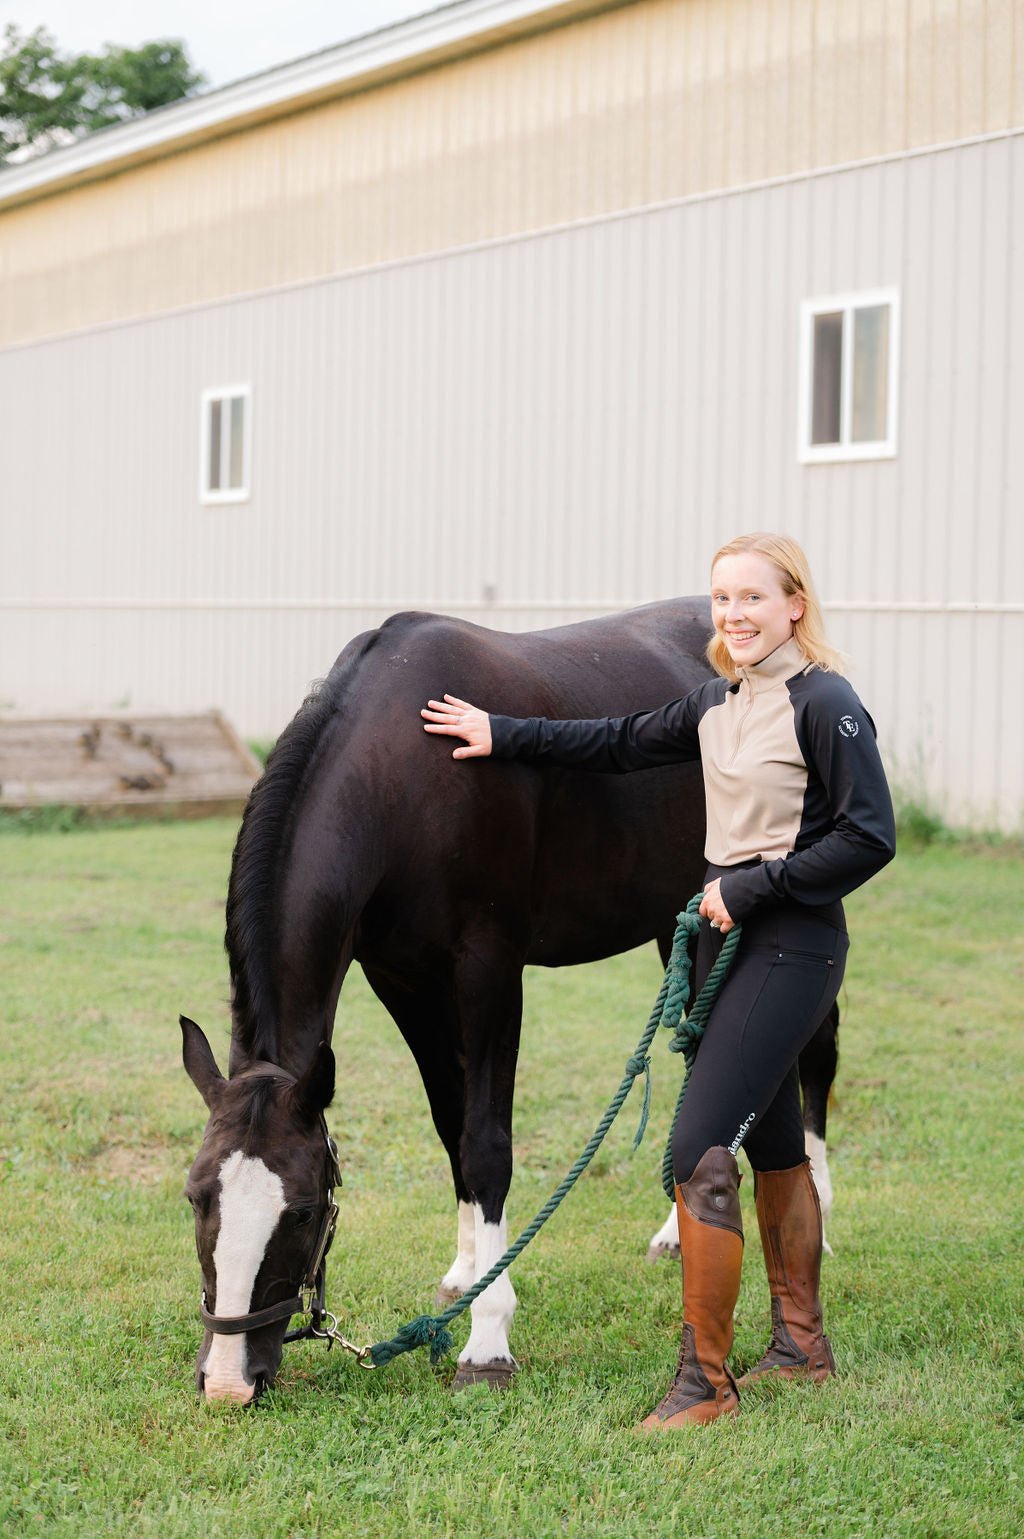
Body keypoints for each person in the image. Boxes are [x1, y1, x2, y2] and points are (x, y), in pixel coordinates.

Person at [421, 532, 895, 1427]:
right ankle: (802, 1344)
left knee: (695, 1148)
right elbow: (613, 741)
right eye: (722, 599)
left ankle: (704, 1382)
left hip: (793, 943)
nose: (734, 615)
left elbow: (870, 836)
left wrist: (750, 885)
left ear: (795, 603)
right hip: (727, 944)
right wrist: (499, 733)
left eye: (752, 598)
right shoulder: (718, 701)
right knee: (773, 1143)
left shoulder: (826, 703)